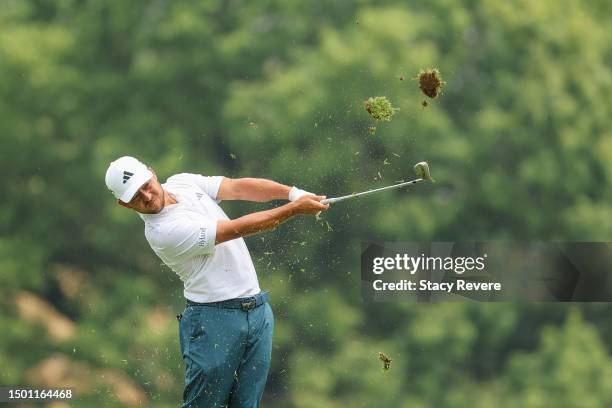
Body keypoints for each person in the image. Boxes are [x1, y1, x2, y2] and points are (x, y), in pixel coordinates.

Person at [104, 156, 329, 407]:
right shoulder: (162, 232)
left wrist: (293, 194)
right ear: (123, 204)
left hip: (257, 312)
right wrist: (295, 209)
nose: (146, 196)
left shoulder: (183, 182)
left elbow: (238, 187)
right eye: (135, 196)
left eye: (146, 185)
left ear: (152, 173)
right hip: (213, 320)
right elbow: (234, 229)